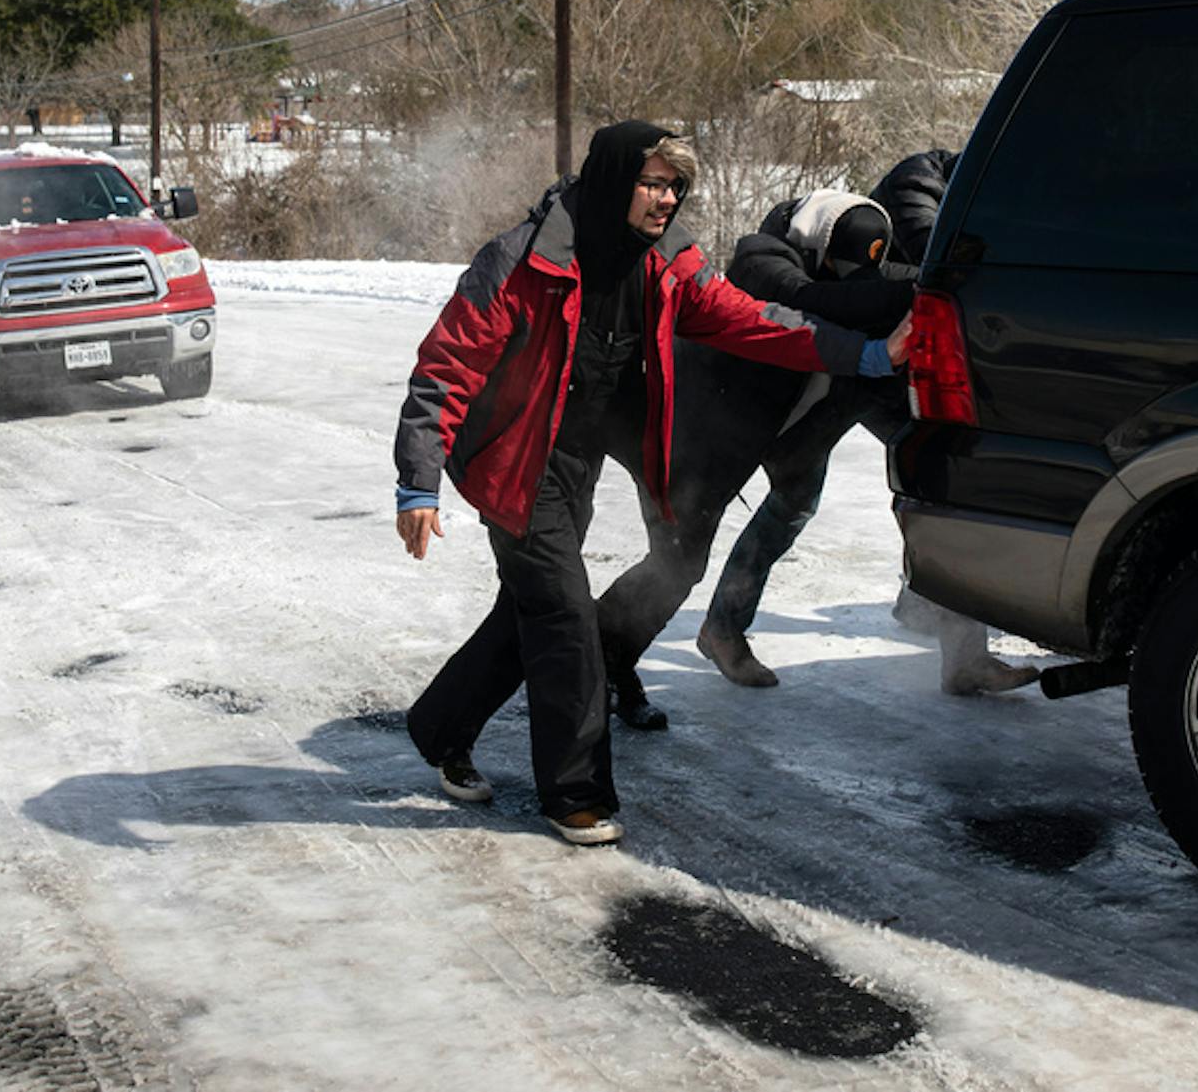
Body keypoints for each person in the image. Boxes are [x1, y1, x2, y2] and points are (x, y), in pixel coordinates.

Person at [392, 121, 910, 847]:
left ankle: (441, 726)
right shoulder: (520, 261)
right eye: (652, 183)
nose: (667, 199)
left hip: (575, 460)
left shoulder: (665, 262)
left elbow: (754, 320)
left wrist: (868, 356)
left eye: (675, 186)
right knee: (567, 619)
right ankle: (575, 792)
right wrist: (418, 481)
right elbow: (446, 365)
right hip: (511, 458)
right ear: (612, 180)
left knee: (530, 609)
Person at [597, 150, 1037, 729]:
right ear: (818, 247)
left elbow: (863, 298)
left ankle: (711, 634)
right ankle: (593, 668)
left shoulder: (852, 259)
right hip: (710, 433)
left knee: (885, 485)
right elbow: (820, 303)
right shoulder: (762, 258)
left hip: (807, 419)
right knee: (675, 565)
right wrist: (935, 282)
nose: (857, 283)